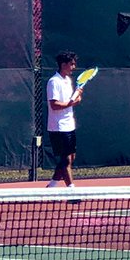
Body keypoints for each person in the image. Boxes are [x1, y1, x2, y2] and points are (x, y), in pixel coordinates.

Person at [46, 50, 83, 187]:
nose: (74, 67)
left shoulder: (68, 80)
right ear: (63, 65)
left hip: (69, 125)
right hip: (58, 127)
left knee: (70, 158)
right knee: (66, 160)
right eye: (71, 64)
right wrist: (71, 102)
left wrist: (78, 96)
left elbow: (73, 101)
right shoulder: (54, 82)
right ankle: (71, 192)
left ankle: (52, 186)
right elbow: (54, 105)